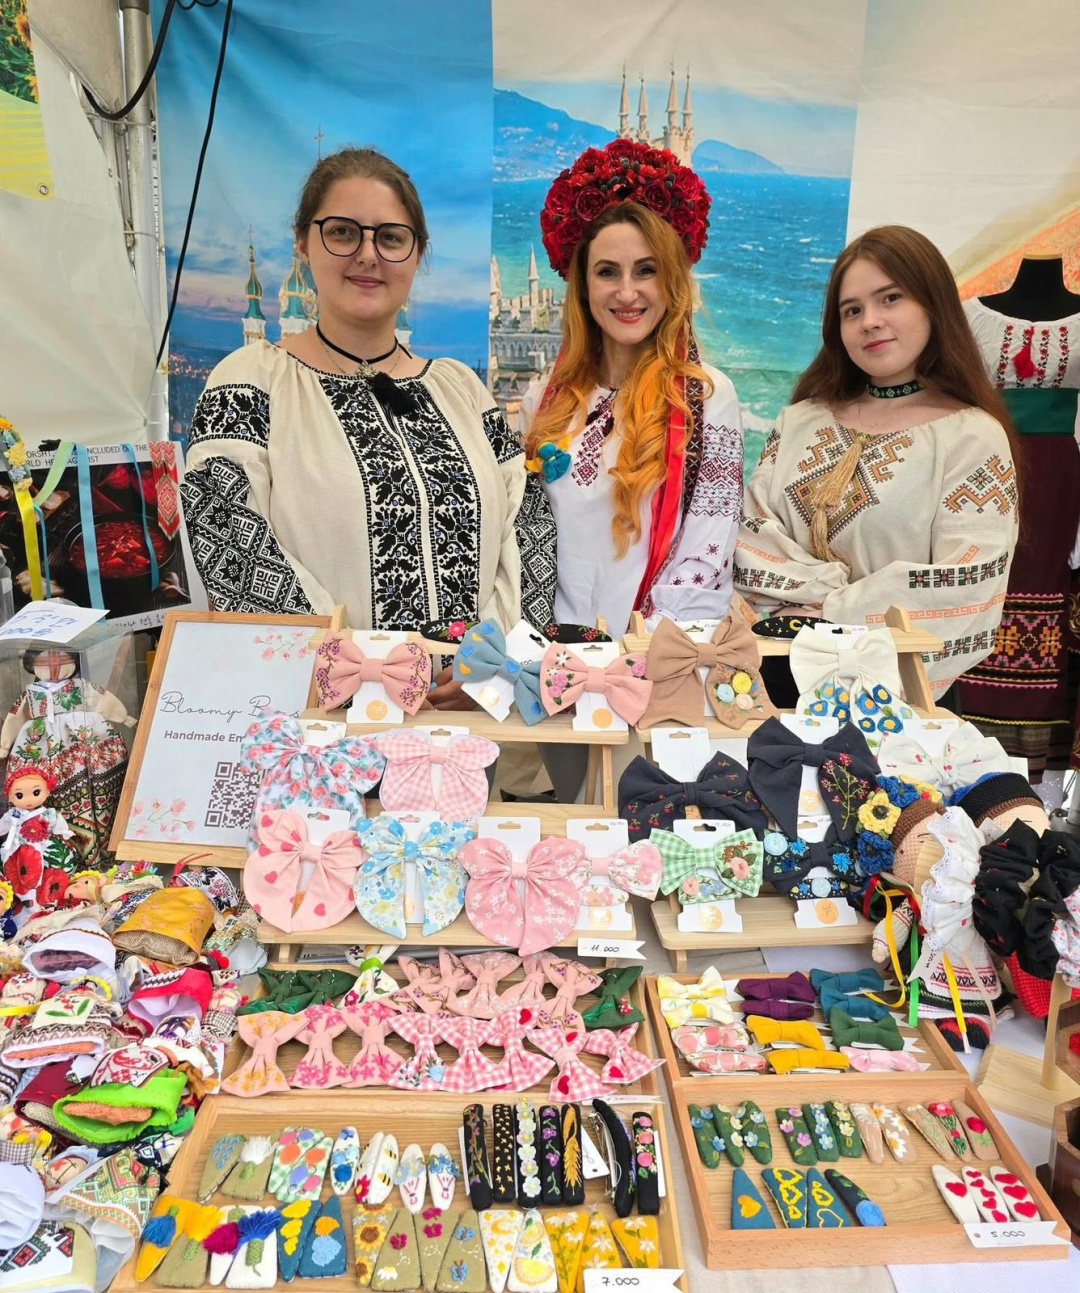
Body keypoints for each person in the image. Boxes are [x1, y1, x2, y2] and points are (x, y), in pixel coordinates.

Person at [181, 147, 555, 709]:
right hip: (325, 719)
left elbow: (528, 526)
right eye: (342, 232)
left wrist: (494, 663)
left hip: (473, 714)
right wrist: (356, 668)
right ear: (303, 243)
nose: (367, 254)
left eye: (391, 238)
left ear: (417, 253)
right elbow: (227, 535)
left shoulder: (462, 389)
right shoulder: (252, 380)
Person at [735, 224, 1020, 699]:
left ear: (933, 305)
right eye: (852, 310)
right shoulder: (799, 421)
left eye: (890, 299)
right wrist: (832, 597)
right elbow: (752, 535)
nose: (869, 321)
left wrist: (829, 608)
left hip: (894, 688)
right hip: (780, 671)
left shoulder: (972, 437)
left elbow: (968, 580)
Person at [524, 140, 744, 635]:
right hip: (550, 660)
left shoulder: (706, 398)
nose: (627, 292)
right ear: (583, 286)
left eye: (647, 270)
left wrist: (634, 661)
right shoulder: (543, 401)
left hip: (649, 659)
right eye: (607, 272)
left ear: (671, 282)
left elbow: (705, 558)